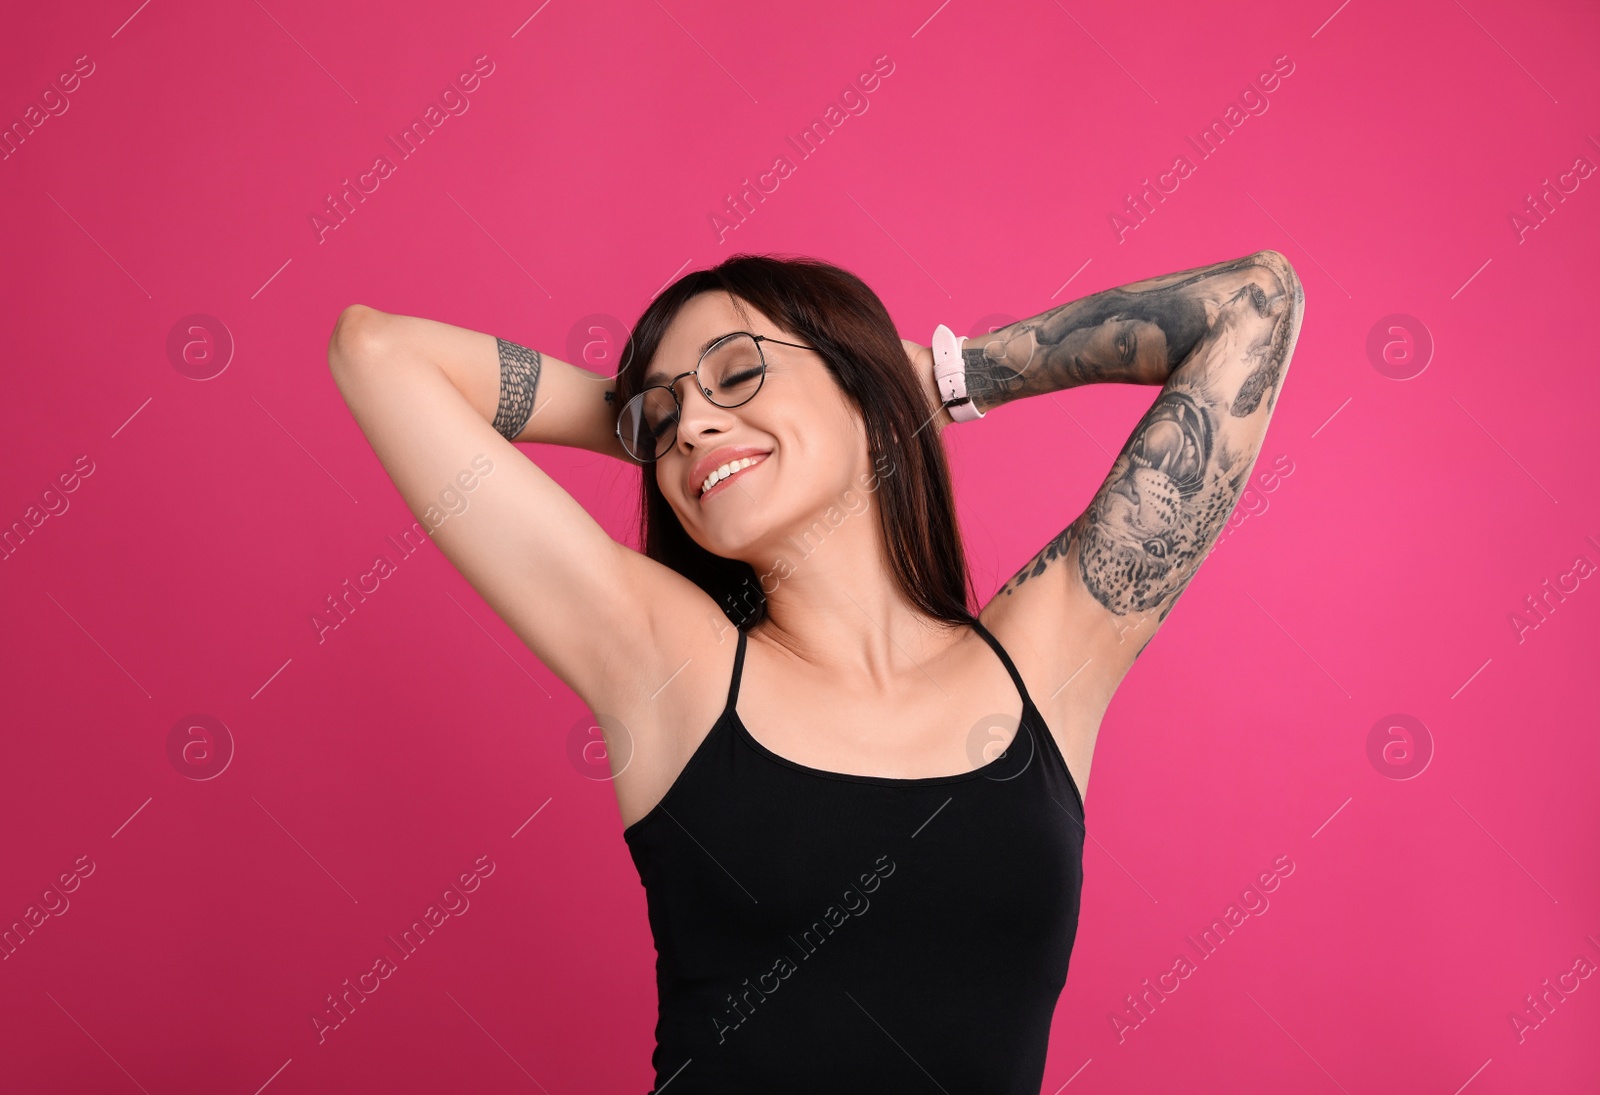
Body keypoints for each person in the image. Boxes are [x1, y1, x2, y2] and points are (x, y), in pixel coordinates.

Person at [327, 249, 1305, 1093]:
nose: (694, 427)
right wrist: (647, 420)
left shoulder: (1045, 659)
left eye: (738, 373)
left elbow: (1251, 303)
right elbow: (378, 354)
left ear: (859, 384)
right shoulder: (671, 663)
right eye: (661, 423)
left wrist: (942, 380)